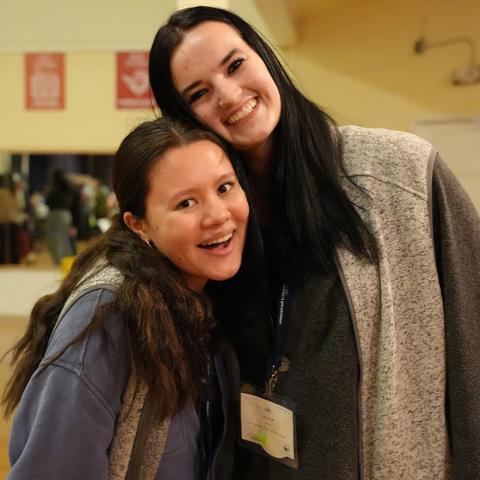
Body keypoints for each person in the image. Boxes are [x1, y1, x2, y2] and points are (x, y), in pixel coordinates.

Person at [148, 6, 480, 479]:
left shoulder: (400, 173)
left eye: (235, 64)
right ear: (183, 117)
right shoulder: (214, 228)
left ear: (264, 57)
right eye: (199, 93)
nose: (227, 95)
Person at [2, 118, 255, 479]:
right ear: (139, 225)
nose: (218, 215)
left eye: (225, 187)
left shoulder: (207, 299)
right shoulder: (110, 316)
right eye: (186, 203)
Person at [44, 169, 81, 265]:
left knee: (54, 240)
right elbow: (76, 207)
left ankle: (58, 262)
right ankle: (67, 262)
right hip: (66, 214)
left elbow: (47, 202)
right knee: (65, 240)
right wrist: (75, 224)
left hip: (54, 214)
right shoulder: (70, 189)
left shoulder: (53, 189)